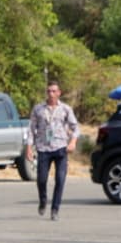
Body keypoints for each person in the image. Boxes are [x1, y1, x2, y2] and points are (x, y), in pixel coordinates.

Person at [26, 81, 79, 220]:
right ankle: (43, 201)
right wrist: (28, 148)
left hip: (61, 148)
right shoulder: (38, 109)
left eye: (54, 91)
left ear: (59, 93)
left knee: (60, 180)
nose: (51, 94)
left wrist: (73, 141)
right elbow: (31, 129)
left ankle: (55, 209)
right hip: (43, 148)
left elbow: (75, 127)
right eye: (49, 91)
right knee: (41, 180)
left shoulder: (66, 109)